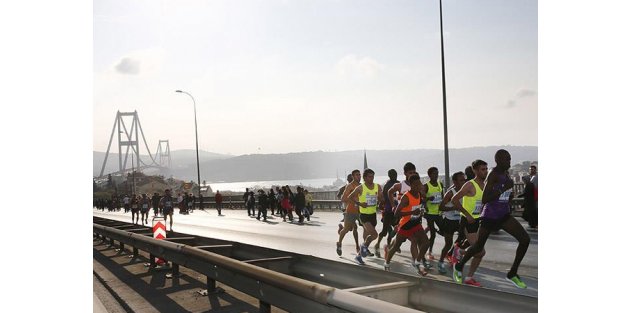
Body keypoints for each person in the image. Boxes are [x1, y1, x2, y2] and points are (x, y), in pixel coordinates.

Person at [453, 150, 531, 289]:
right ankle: (459, 266)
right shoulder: (493, 174)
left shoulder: (505, 173)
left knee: (525, 239)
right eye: (507, 159)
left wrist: (509, 195)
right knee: (478, 247)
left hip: (503, 215)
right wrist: (503, 189)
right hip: (489, 216)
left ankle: (512, 273)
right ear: (499, 160)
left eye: (510, 159)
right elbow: (485, 198)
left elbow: (503, 195)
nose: (509, 162)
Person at [449, 159, 488, 287]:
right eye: (482, 169)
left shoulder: (486, 184)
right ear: (475, 171)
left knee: (478, 252)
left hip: (479, 220)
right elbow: (454, 200)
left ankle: (469, 276)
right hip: (468, 220)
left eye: (486, 169)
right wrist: (467, 215)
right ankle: (458, 263)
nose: (485, 172)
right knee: (480, 252)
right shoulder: (469, 185)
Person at [383, 173, 430, 276]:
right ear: (411, 185)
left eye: (420, 184)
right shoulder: (406, 197)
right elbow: (396, 213)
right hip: (405, 224)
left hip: (416, 223)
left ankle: (417, 262)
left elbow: (418, 206)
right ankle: (386, 263)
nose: (419, 187)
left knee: (426, 242)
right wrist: (412, 213)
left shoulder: (419, 194)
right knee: (396, 246)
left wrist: (421, 211)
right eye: (416, 185)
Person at [346, 168, 384, 265]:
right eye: (370, 177)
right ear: (365, 178)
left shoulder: (377, 186)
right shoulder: (360, 188)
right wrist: (359, 203)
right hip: (364, 215)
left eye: (373, 176)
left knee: (369, 236)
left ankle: (359, 256)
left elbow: (381, 198)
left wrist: (381, 199)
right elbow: (349, 197)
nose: (372, 178)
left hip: (373, 215)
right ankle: (364, 247)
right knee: (375, 235)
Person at [437, 172, 467, 274]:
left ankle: (452, 254)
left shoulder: (465, 191)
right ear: (455, 181)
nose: (464, 182)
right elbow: (441, 207)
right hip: (449, 221)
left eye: (464, 180)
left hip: (460, 220)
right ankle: (440, 262)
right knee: (448, 243)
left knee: (462, 240)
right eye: (461, 180)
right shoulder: (450, 193)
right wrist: (454, 207)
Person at [374, 169, 399, 258]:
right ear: (389, 176)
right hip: (388, 210)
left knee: (398, 229)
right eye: (393, 175)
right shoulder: (387, 186)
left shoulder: (399, 184)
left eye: (395, 174)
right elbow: (383, 198)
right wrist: (381, 204)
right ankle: (377, 245)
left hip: (397, 210)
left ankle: (390, 245)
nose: (394, 176)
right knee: (385, 231)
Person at [337, 170, 361, 257]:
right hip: (348, 210)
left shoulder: (360, 186)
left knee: (355, 228)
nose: (359, 177)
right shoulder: (347, 187)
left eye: (359, 175)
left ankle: (358, 246)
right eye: (356, 175)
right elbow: (341, 197)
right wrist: (352, 200)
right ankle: (339, 243)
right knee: (349, 229)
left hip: (359, 210)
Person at [423, 167, 444, 261]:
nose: (436, 175)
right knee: (433, 234)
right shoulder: (426, 186)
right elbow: (421, 199)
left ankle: (434, 230)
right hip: (430, 213)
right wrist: (428, 199)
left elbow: (442, 196)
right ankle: (430, 252)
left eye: (437, 173)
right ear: (429, 175)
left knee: (444, 230)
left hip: (438, 212)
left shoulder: (440, 184)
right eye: (434, 173)